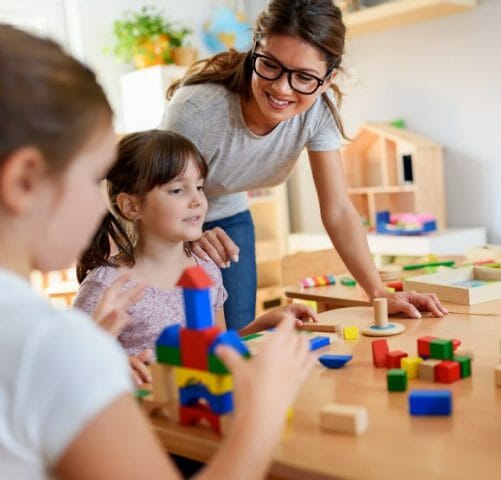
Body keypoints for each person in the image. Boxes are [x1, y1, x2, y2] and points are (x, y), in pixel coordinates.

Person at [0, 24, 314, 479]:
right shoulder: (50, 345)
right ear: (25, 182)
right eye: (94, 178)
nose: (100, 203)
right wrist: (262, 412)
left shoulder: (52, 339)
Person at [162, 0, 447, 330]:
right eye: (270, 65)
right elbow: (151, 193)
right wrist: (187, 234)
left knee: (237, 338)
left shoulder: (316, 114)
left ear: (327, 80)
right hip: (163, 216)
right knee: (180, 337)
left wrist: (378, 292)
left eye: (304, 77)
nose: (281, 88)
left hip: (227, 215)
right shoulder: (198, 108)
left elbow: (338, 209)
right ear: (255, 50)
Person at [74, 129, 318, 385]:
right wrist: (115, 367)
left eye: (199, 187)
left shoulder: (207, 269)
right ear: (132, 206)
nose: (198, 201)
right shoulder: (106, 287)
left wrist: (263, 324)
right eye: (178, 190)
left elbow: (216, 349)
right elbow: (72, 372)